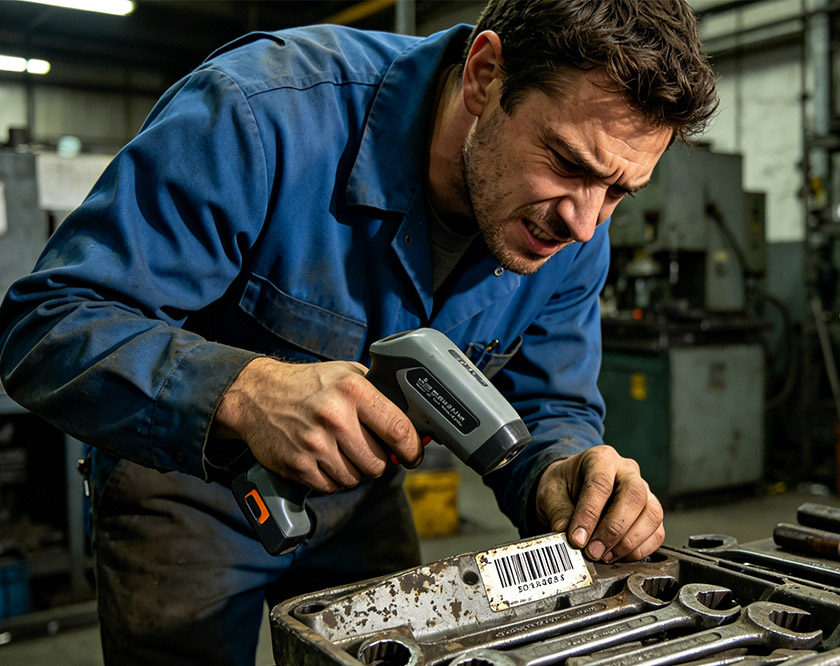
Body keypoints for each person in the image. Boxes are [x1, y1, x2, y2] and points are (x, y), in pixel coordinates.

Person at [0, 0, 717, 663]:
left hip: (360, 496)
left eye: (619, 191)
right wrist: (244, 393)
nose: (586, 224)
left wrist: (563, 472)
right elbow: (48, 322)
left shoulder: (575, 229)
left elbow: (550, 405)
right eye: (566, 163)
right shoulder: (260, 113)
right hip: (182, 489)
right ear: (485, 75)